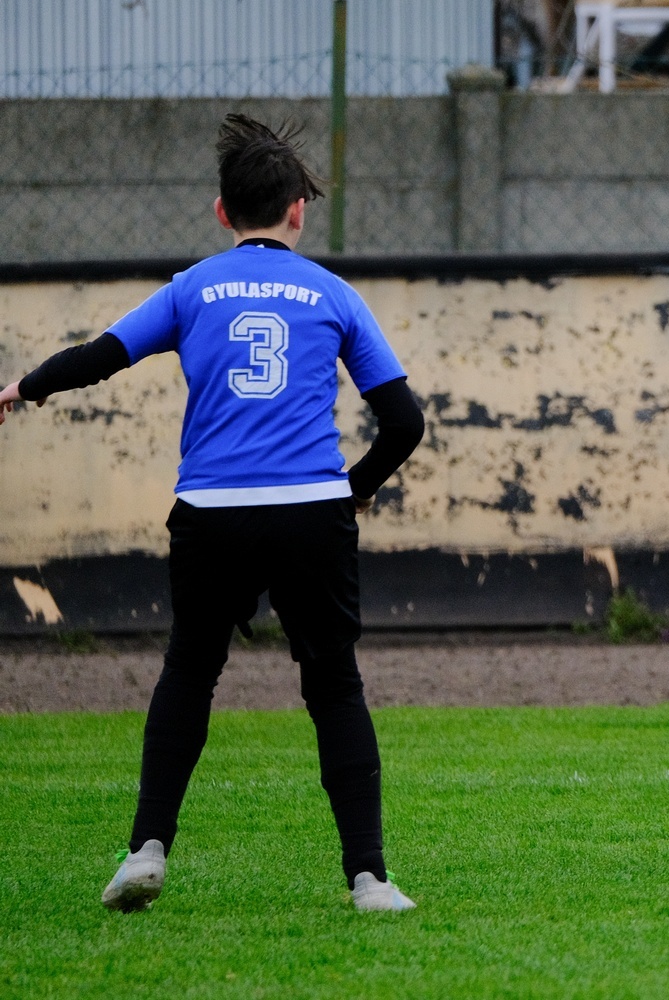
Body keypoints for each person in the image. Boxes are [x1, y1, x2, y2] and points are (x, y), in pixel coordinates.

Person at [0, 115, 426, 910]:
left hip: (212, 511)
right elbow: (404, 422)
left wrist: (27, 386)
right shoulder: (334, 294)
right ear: (299, 210)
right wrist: (354, 487)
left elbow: (101, 357)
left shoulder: (191, 289)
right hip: (310, 511)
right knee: (334, 685)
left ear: (222, 212)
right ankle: (370, 877)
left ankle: (145, 852)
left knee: (190, 672)